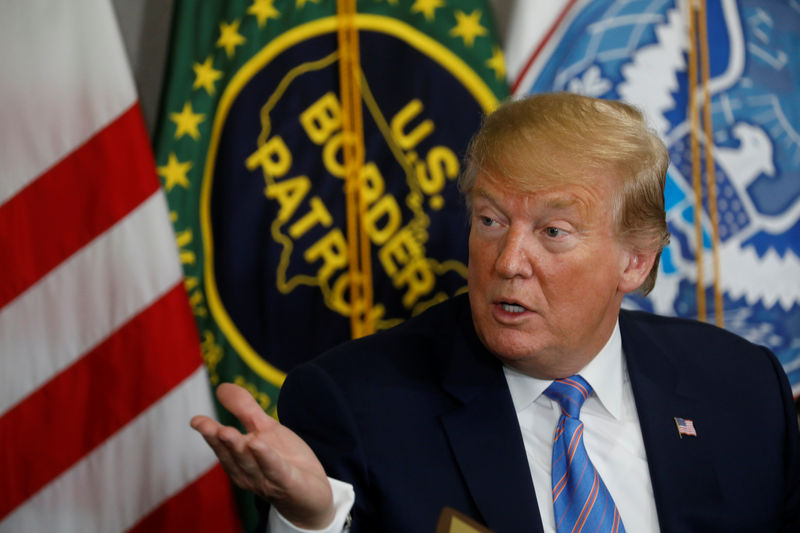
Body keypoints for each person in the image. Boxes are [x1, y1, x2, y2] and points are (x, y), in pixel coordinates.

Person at [191, 93, 800, 532]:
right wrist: (313, 521)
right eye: (490, 221)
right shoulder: (354, 403)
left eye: (553, 232)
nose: (508, 261)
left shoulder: (742, 387)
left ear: (635, 263)